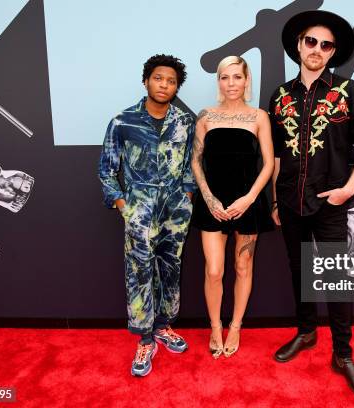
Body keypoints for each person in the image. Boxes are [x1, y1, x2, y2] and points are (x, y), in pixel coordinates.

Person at [269, 11, 354, 398]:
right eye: (311, 42)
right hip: (288, 200)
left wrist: (347, 190)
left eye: (326, 44)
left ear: (334, 52)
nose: (317, 49)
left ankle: (343, 354)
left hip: (332, 201)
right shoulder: (280, 96)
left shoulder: (350, 92)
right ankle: (305, 332)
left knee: (336, 278)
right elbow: (276, 155)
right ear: (299, 46)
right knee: (299, 271)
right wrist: (274, 199)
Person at [98, 54, 196, 377]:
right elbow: (107, 170)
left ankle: (164, 326)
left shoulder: (185, 122)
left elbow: (191, 166)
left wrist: (187, 195)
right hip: (139, 209)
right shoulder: (122, 121)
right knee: (138, 272)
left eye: (170, 81)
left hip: (175, 210)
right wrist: (123, 206)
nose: (164, 85)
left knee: (171, 268)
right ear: (146, 81)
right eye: (158, 78)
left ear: (176, 86)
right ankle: (144, 338)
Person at [191, 56, 274, 358]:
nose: (231, 84)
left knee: (242, 266)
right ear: (218, 82)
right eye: (225, 78)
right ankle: (215, 326)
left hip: (247, 203)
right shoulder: (205, 116)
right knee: (214, 271)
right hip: (211, 204)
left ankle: (235, 325)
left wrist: (249, 198)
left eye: (237, 77)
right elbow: (195, 162)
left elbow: (268, 164)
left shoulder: (259, 116)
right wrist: (210, 198)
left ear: (247, 80)